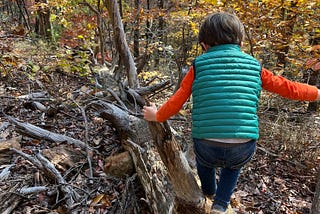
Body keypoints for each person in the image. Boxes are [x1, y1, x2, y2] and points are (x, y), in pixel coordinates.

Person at [143, 11, 320, 213]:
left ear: (204, 45)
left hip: (206, 146)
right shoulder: (255, 66)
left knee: (204, 163)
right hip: (242, 147)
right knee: (233, 168)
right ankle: (221, 204)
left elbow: (177, 101)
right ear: (241, 43)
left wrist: (156, 115)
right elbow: (289, 88)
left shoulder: (199, 65)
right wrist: (316, 93)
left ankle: (209, 191)